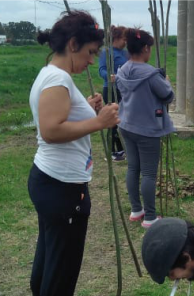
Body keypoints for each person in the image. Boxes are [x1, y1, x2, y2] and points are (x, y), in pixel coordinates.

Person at [28, 10, 119, 295]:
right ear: (72, 44)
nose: (92, 60)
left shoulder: (52, 75)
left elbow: (59, 119)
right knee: (61, 275)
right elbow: (51, 131)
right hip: (62, 187)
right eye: (90, 52)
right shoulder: (58, 80)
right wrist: (99, 121)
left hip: (53, 182)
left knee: (50, 262)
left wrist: (87, 110)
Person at [116, 28, 175, 228]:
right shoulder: (151, 74)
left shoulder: (122, 70)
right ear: (146, 48)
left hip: (126, 124)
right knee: (149, 173)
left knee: (133, 167)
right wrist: (167, 82)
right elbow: (168, 96)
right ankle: (150, 217)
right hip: (147, 128)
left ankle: (136, 210)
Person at [98, 25, 129, 161]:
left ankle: (121, 149)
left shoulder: (125, 53)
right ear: (116, 38)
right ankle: (110, 151)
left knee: (122, 119)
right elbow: (101, 69)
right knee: (113, 119)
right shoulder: (106, 52)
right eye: (124, 39)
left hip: (124, 89)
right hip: (111, 89)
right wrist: (109, 76)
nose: (125, 42)